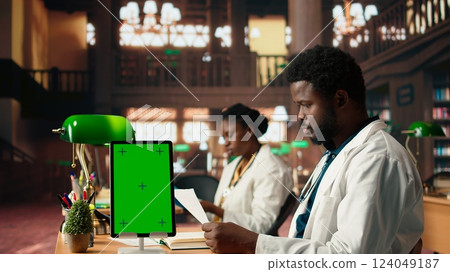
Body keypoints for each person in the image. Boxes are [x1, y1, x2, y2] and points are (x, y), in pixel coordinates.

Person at [201, 45, 424, 254]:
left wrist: (253, 243)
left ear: (340, 99)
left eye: (306, 105)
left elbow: (349, 258)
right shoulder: (335, 154)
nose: (299, 115)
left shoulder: (377, 158)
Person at [200, 103, 293, 234]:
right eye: (223, 137)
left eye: (230, 135)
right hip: (222, 239)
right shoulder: (232, 166)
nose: (225, 142)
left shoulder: (272, 168)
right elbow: (220, 214)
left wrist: (214, 209)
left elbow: (262, 226)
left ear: (249, 131)